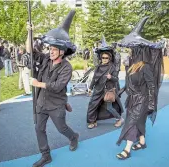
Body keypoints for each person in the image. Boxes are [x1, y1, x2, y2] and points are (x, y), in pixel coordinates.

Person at [28, 10, 79, 167]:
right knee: (39, 129)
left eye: (54, 50)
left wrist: (38, 84)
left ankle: (74, 137)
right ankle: (46, 155)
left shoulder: (67, 68)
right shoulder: (45, 59)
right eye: (50, 49)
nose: (50, 51)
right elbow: (30, 51)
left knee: (62, 128)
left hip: (56, 104)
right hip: (41, 102)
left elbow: (57, 87)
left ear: (61, 52)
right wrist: (29, 33)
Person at [116, 17, 163, 160]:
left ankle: (127, 149)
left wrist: (151, 103)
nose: (130, 52)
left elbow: (152, 85)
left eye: (133, 50)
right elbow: (130, 82)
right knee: (139, 121)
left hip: (142, 100)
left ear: (139, 51)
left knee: (132, 122)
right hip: (132, 99)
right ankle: (142, 142)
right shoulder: (133, 65)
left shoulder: (146, 67)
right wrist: (125, 66)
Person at [87, 36, 124, 129]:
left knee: (109, 107)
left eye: (106, 58)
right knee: (92, 105)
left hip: (108, 90)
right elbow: (94, 79)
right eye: (103, 57)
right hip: (98, 89)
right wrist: (90, 88)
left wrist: (111, 77)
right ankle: (92, 121)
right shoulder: (98, 67)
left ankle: (119, 119)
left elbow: (116, 79)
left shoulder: (112, 67)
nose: (104, 59)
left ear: (109, 58)